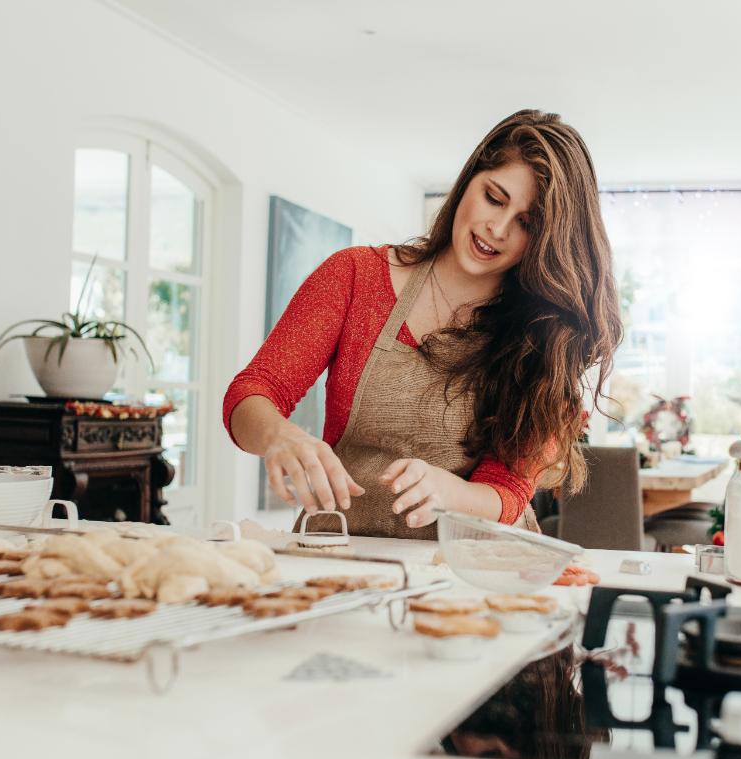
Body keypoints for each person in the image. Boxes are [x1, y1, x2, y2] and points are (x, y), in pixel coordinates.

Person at [223, 109, 622, 539]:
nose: (497, 228)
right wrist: (280, 437)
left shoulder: (544, 334)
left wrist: (451, 492)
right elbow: (253, 391)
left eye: (526, 224)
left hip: (473, 568)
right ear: (469, 179)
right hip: (342, 549)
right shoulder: (355, 277)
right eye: (494, 198)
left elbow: (508, 492)